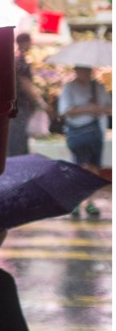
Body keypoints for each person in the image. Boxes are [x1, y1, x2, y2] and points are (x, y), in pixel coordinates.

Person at [57, 64, 111, 217]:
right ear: (76, 71)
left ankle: (90, 202)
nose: (86, 73)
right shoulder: (69, 88)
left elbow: (108, 107)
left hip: (96, 132)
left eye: (88, 70)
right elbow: (65, 111)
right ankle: (77, 201)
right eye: (83, 70)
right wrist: (87, 108)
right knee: (80, 167)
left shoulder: (98, 87)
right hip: (77, 133)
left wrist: (98, 108)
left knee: (93, 168)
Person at [7, 34, 52, 157]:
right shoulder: (21, 61)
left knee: (15, 139)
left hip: (14, 106)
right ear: (25, 42)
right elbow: (26, 84)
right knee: (18, 141)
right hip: (21, 106)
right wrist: (40, 102)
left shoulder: (14, 59)